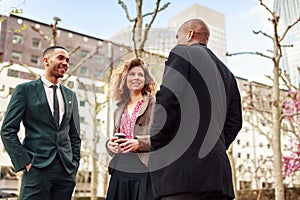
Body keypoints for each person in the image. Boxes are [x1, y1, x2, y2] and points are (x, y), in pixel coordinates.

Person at [149, 18, 243, 200]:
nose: (176, 41)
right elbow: (235, 122)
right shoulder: (227, 73)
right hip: (218, 176)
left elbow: (168, 99)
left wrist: (157, 142)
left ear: (190, 34)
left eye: (178, 36)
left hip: (181, 175)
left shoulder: (182, 53)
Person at [0, 46, 81, 200]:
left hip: (66, 171)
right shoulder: (24, 90)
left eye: (67, 60)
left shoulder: (71, 95)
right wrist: (24, 162)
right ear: (46, 61)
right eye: (60, 58)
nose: (65, 63)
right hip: (37, 168)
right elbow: (7, 130)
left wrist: (74, 164)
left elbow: (74, 134)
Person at [105, 57, 157, 200]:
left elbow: (164, 137)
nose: (136, 78)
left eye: (140, 75)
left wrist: (139, 143)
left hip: (144, 169)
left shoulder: (155, 103)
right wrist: (109, 144)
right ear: (125, 78)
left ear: (146, 79)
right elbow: (115, 137)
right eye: (132, 74)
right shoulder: (119, 108)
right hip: (120, 168)